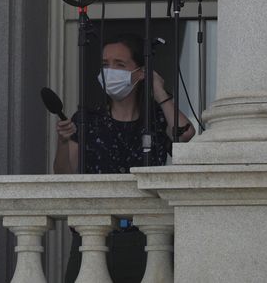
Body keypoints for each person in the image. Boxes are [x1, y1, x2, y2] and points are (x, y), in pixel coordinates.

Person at [53, 33, 196, 283]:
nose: (110, 71)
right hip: (93, 238)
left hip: (144, 239)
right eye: (105, 64)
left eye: (120, 64)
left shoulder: (155, 119)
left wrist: (160, 92)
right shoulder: (87, 119)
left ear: (140, 72)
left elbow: (185, 135)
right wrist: (64, 142)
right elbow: (64, 173)